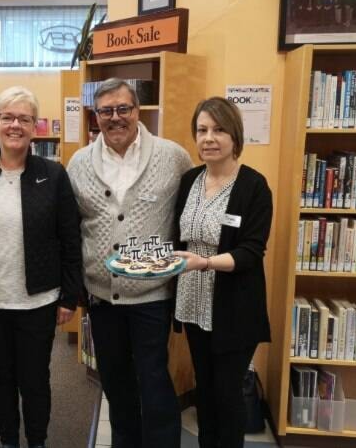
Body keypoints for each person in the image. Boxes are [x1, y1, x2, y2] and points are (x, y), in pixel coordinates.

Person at [67, 78, 193, 448]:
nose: (115, 117)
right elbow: (72, 228)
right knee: (115, 379)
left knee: (153, 378)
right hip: (101, 296)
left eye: (123, 109)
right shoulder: (79, 163)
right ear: (96, 116)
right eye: (106, 111)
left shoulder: (172, 156)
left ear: (137, 111)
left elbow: (187, 217)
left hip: (152, 295)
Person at [0, 86, 82, 448]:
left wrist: (69, 296)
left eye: (24, 119)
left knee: (34, 380)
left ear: (35, 127)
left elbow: (70, 238)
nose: (15, 125)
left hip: (38, 301)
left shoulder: (54, 175)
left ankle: (37, 441)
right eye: (8, 117)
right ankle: (8, 441)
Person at [173, 96, 272, 448]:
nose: (208, 138)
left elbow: (250, 251)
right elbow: (177, 235)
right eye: (201, 130)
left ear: (235, 136)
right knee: (206, 390)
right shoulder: (189, 181)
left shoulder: (254, 186)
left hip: (233, 308)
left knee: (228, 396)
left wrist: (207, 263)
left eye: (218, 129)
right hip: (193, 302)